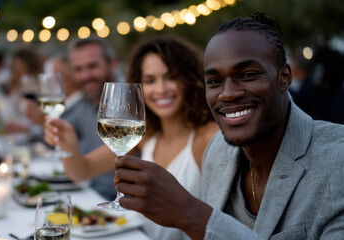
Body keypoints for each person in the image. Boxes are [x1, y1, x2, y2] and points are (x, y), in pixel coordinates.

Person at [113, 12, 344, 239]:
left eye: (248, 75)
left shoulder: (337, 164)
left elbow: (201, 223)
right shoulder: (218, 150)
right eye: (214, 81)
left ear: (284, 77)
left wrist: (191, 213)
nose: (228, 94)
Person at [45, 35, 219, 239]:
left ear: (189, 79)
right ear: (139, 86)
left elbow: (219, 223)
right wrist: (69, 145)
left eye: (171, 77)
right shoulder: (147, 136)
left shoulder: (209, 137)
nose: (161, 89)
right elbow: (82, 170)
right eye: (150, 80)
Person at [45, 37, 120, 200]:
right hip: (92, 193)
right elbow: (61, 136)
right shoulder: (85, 103)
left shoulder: (131, 105)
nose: (85, 75)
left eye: (92, 66)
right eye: (78, 69)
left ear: (112, 64)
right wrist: (54, 133)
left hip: (126, 203)